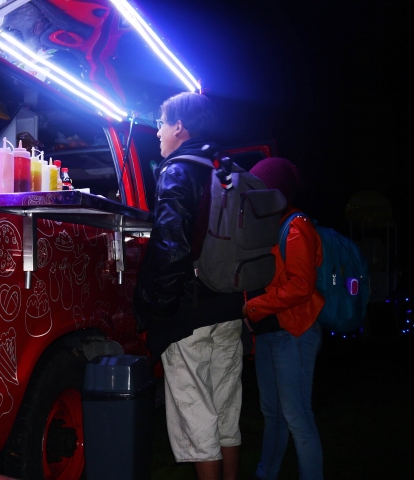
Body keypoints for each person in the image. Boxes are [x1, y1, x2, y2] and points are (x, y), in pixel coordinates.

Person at [133, 92, 248, 480]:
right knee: (227, 411)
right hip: (231, 308)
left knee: (198, 418)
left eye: (162, 124)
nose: (159, 133)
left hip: (190, 314)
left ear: (179, 127)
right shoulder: (228, 171)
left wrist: (154, 309)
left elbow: (171, 247)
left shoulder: (178, 170)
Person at [242, 157, 325, 480]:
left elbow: (302, 286)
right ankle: (265, 474)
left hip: (294, 332)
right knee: (273, 414)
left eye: (259, 187)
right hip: (270, 333)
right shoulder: (272, 225)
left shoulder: (296, 226)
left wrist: (254, 308)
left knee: (297, 418)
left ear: (274, 191)